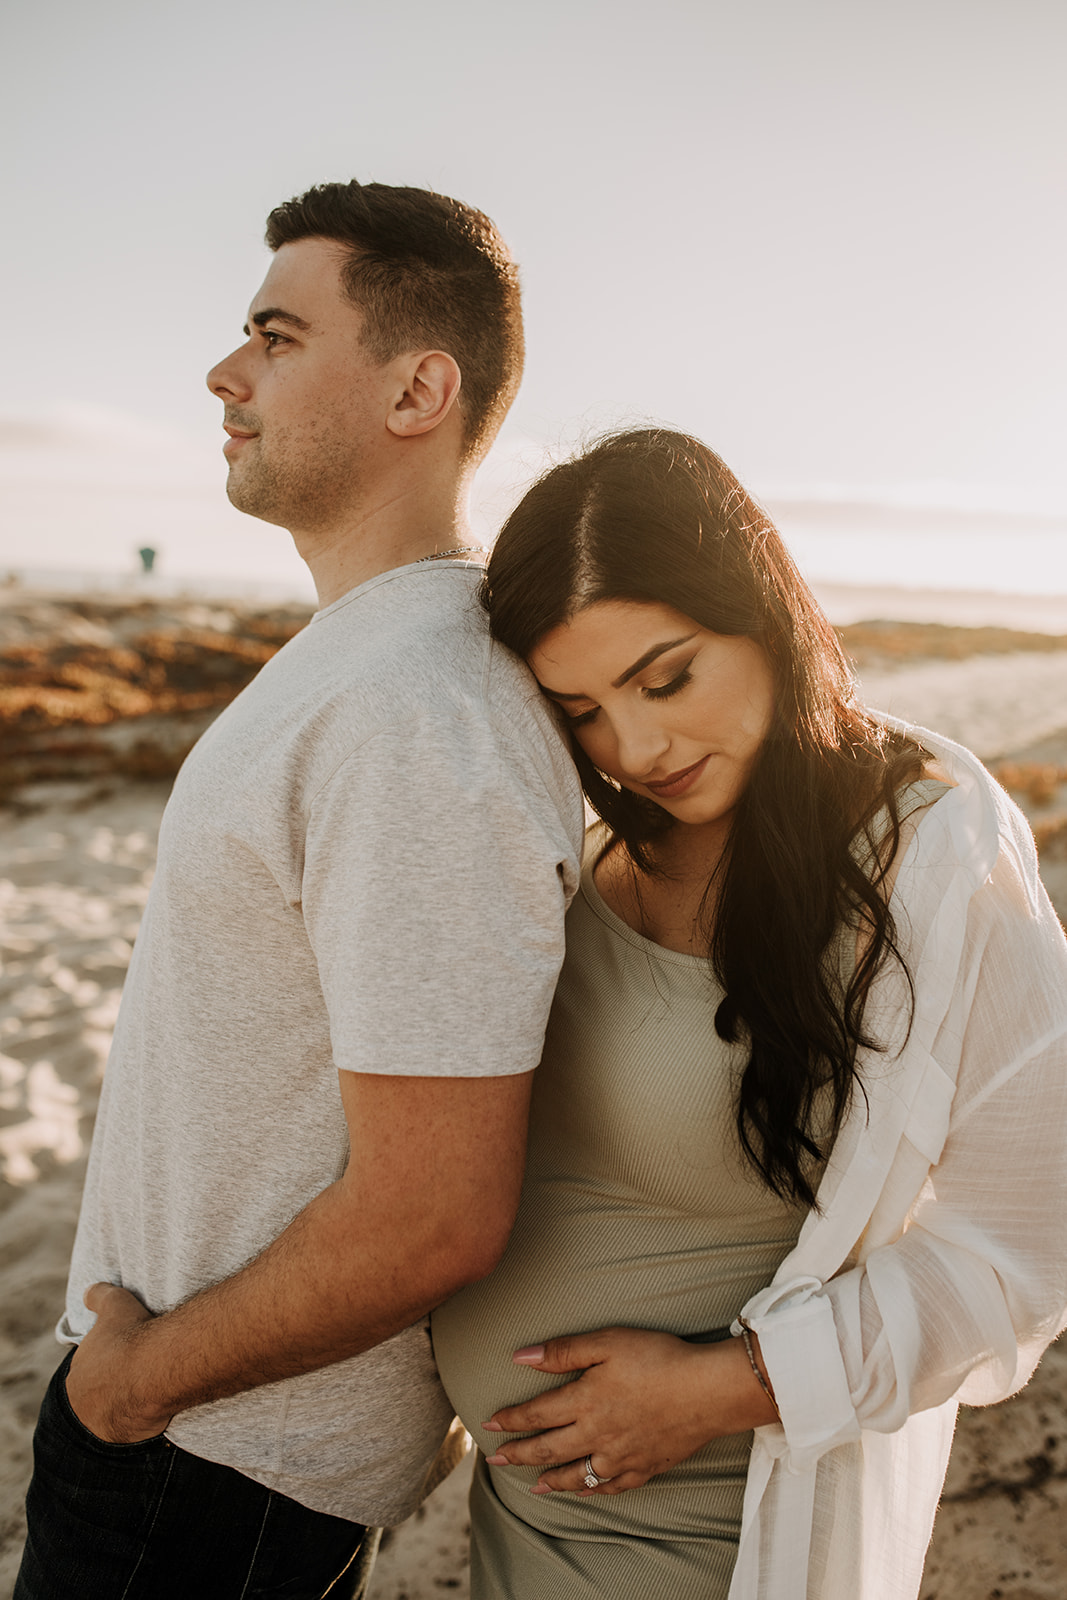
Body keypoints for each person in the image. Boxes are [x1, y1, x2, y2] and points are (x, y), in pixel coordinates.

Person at [14, 181, 584, 1600]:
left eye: (275, 335)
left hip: (216, 1463)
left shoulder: (420, 710)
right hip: (191, 1438)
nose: (223, 373)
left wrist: (133, 1386)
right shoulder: (367, 662)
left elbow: (432, 1210)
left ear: (417, 390)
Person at [431, 427, 1067, 1600]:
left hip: (709, 1536)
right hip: (519, 1520)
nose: (636, 747)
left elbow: (1025, 1243)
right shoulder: (585, 848)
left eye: (664, 677)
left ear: (762, 613)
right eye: (579, 709)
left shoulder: (925, 848)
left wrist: (714, 1389)